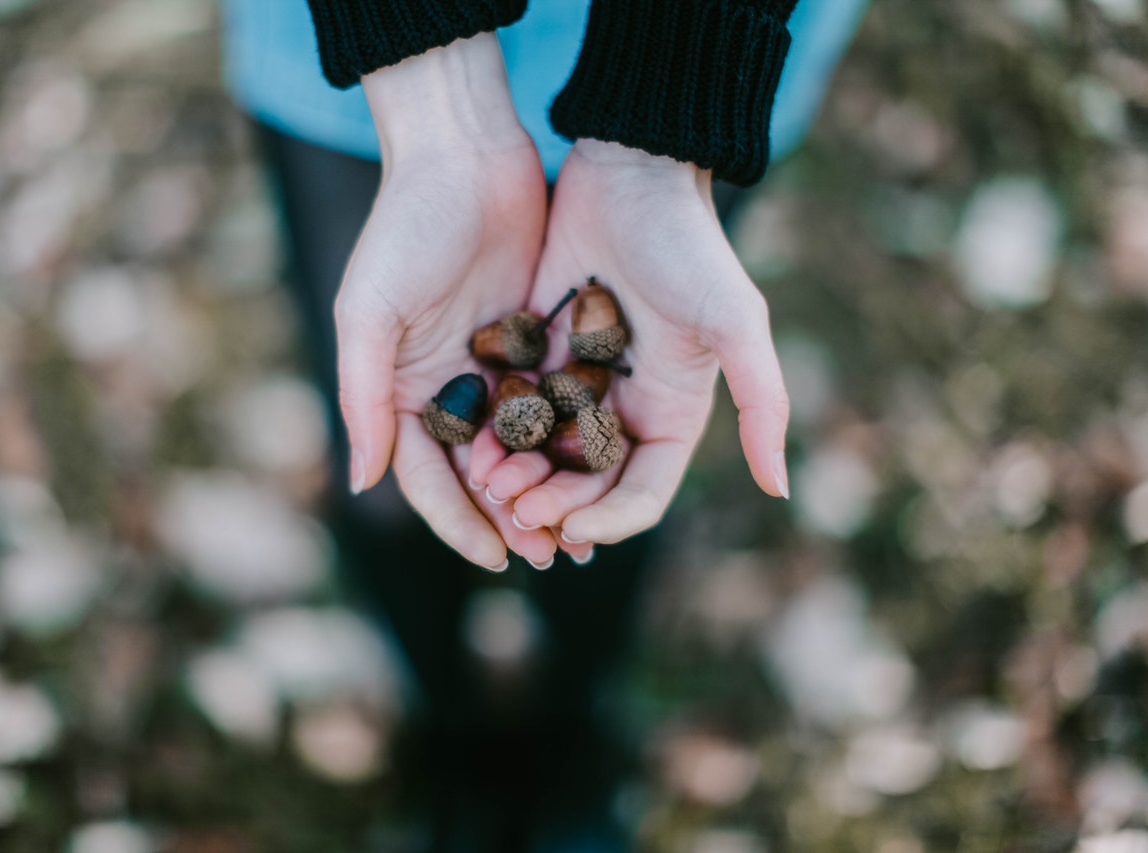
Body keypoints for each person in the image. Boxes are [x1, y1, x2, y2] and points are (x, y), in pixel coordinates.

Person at [222, 1, 868, 849]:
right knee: (381, 464)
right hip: (362, 44)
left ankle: (572, 724)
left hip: (706, 47)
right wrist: (433, 97)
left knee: (604, 499)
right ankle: (449, 726)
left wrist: (662, 132)